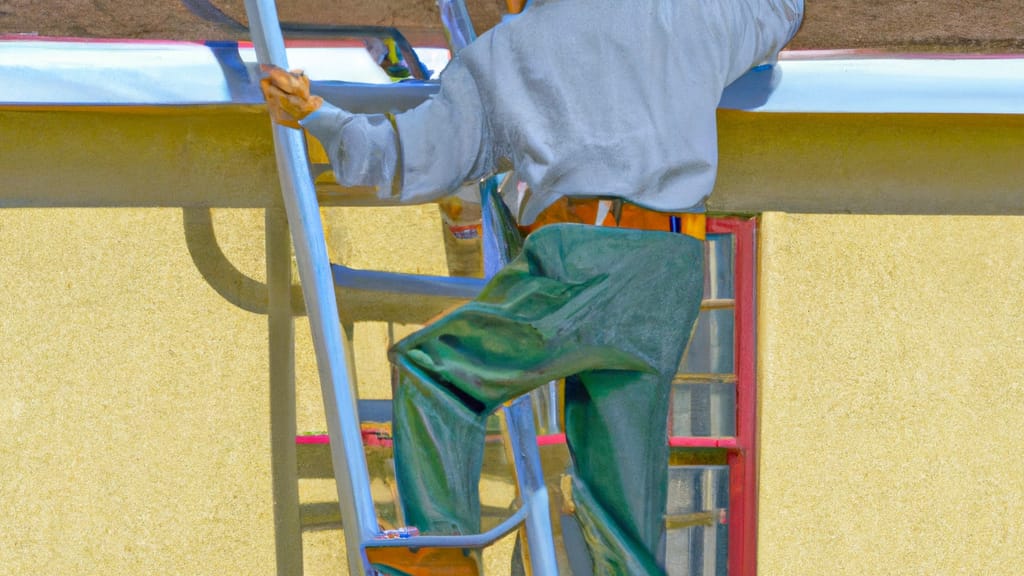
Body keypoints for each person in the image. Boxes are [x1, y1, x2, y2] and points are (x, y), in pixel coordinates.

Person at [261, 1, 803, 573]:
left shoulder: (509, 52)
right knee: (623, 519)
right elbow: (782, 10)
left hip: (585, 259)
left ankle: (441, 555)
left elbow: (405, 156)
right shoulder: (691, 16)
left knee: (435, 374)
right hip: (670, 271)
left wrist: (316, 116)